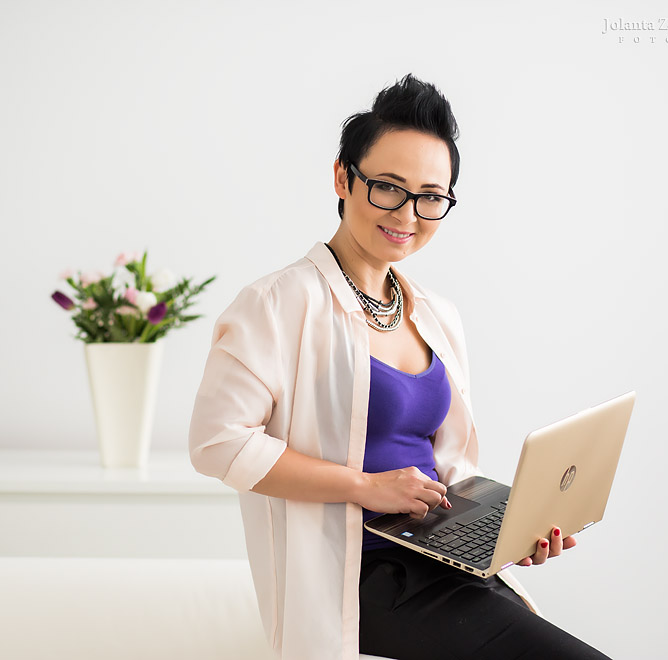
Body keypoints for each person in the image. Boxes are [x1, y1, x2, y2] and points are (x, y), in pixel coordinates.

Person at [188, 74, 611, 660]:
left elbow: (450, 467)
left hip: (443, 561)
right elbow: (216, 443)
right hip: (360, 578)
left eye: (431, 196)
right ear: (343, 176)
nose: (408, 214)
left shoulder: (438, 315)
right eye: (388, 187)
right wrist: (365, 487)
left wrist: (505, 535)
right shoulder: (277, 304)